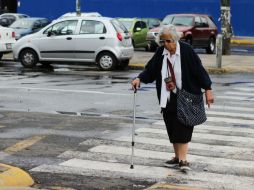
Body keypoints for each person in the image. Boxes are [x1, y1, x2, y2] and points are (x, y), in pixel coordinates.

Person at [131, 25, 214, 172]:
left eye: (168, 41)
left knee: (183, 126)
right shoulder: (161, 52)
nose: (165, 44)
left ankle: (183, 160)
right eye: (162, 41)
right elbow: (150, 70)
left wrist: (208, 89)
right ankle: (177, 157)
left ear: (176, 39)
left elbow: (199, 70)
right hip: (168, 96)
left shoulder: (187, 51)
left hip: (186, 96)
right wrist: (139, 78)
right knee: (172, 128)